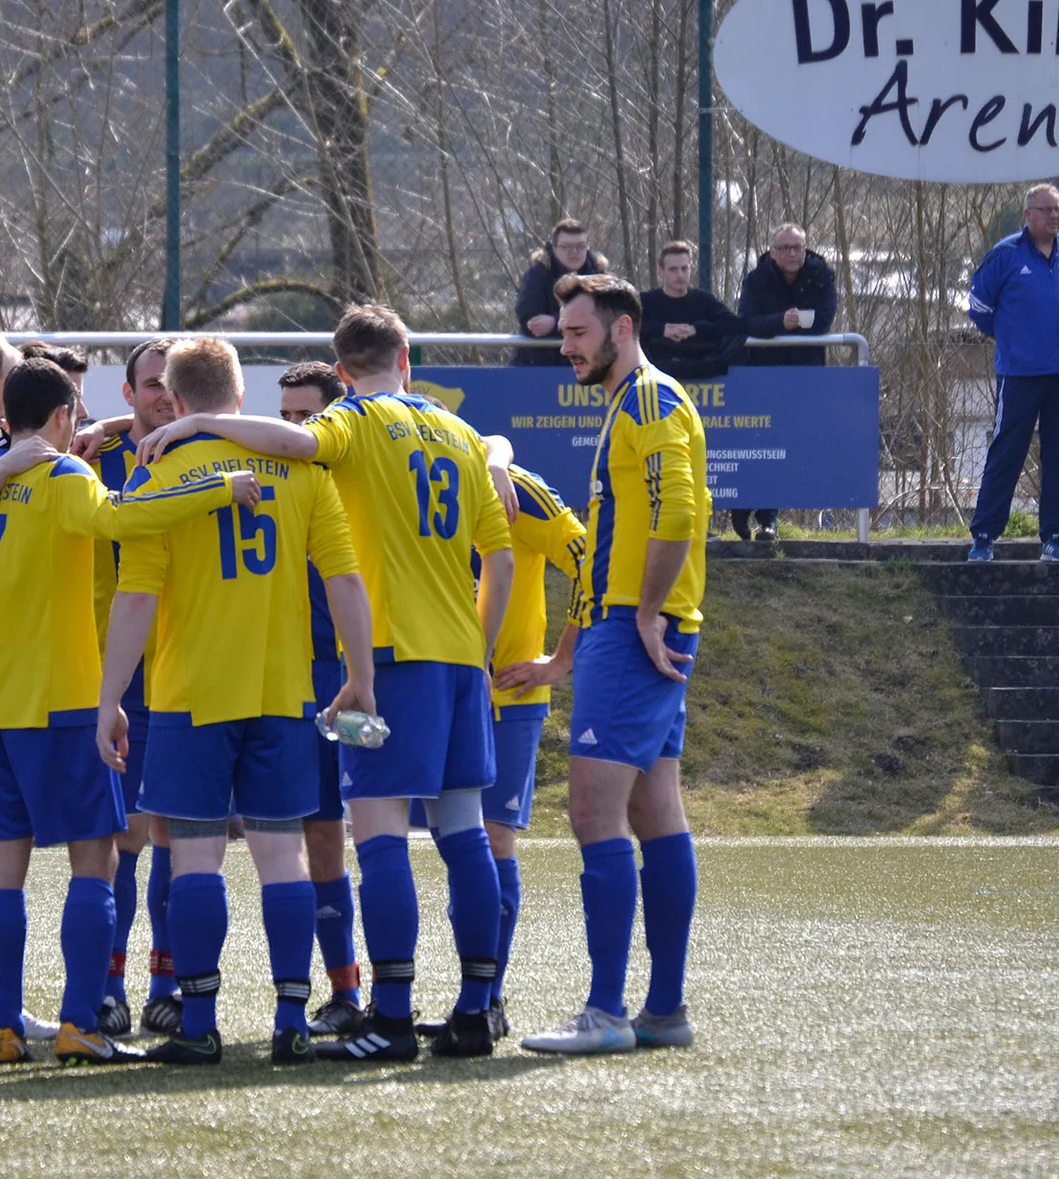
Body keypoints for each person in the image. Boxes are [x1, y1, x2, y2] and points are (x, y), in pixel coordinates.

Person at [138, 304, 516, 1062]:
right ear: (406, 358)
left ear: (341, 373)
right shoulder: (459, 433)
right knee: (464, 832)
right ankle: (478, 1008)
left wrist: (198, 424)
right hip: (458, 657)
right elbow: (499, 557)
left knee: (379, 837)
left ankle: (393, 1017)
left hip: (392, 655)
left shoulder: (355, 421)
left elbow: (295, 442)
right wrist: (480, 647)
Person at [0, 358, 260, 1066]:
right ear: (63, 416)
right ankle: (78, 1022)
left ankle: (3, 1029)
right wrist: (217, 488)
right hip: (60, 701)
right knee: (94, 863)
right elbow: (124, 517)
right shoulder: (66, 476)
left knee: (3, 869)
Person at [96, 337, 376, 1066]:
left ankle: (199, 1024)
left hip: (190, 695)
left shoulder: (160, 471)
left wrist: (109, 697)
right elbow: (345, 579)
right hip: (283, 690)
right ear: (242, 398)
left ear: (175, 400)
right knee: (282, 856)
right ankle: (290, 1020)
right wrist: (361, 676)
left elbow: (135, 597)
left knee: (196, 858)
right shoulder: (302, 470)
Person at [521, 273, 706, 1058]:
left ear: (621, 329)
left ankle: (607, 1012)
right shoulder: (629, 403)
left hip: (635, 635)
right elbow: (607, 544)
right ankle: (663, 1011)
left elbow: (680, 511)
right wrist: (566, 654)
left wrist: (646, 612)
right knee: (654, 811)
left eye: (577, 333)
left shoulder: (651, 400)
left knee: (594, 814)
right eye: (563, 333)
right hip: (624, 630)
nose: (565, 346)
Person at [414, 464, 584, 1043]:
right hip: (432, 690)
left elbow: (592, 562)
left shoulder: (516, 486)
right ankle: (469, 997)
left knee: (490, 838)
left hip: (508, 695)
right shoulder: (414, 472)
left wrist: (561, 660)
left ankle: (486, 1000)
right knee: (452, 843)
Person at [274, 361, 369, 1039]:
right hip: (288, 678)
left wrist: (497, 458)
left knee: (346, 834)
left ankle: (354, 990)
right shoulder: (281, 480)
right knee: (300, 833)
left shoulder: (360, 479)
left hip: (351, 675)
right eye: (283, 417)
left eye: (305, 417)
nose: (293, 430)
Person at [87, 339, 180, 1040]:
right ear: (128, 393)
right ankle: (110, 986)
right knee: (120, 838)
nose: (163, 395)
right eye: (151, 384)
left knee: (176, 833)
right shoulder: (95, 460)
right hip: (118, 676)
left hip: (189, 669)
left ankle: (167, 985)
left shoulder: (216, 453)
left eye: (173, 383)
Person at [965, 184, 1059, 563]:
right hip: (1019, 374)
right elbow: (978, 305)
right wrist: (1010, 336)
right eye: (1046, 209)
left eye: (1058, 209)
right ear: (1028, 214)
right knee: (1007, 453)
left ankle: (1054, 537)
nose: (1054, 216)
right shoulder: (1006, 254)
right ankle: (984, 536)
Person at [735, 224, 838, 541]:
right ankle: (743, 506)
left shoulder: (822, 276)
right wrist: (781, 322)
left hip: (804, 373)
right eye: (785, 248)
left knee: (787, 446)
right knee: (758, 444)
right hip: (763, 372)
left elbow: (823, 321)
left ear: (806, 248)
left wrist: (787, 326)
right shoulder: (756, 279)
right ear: (773, 252)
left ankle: (768, 519)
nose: (792, 253)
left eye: (797, 247)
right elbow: (746, 322)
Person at [513, 218, 610, 367]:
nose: (574, 252)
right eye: (566, 247)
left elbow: (606, 316)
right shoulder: (537, 274)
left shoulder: (599, 274)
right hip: (538, 365)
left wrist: (555, 322)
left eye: (580, 246)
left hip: (588, 364)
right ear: (554, 248)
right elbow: (530, 321)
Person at [641, 241, 743, 380]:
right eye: (673, 269)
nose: (680, 275)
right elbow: (625, 327)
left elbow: (734, 324)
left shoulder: (704, 300)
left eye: (684, 268)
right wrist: (662, 330)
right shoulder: (646, 301)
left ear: (691, 269)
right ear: (660, 271)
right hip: (654, 377)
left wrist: (696, 330)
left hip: (706, 377)